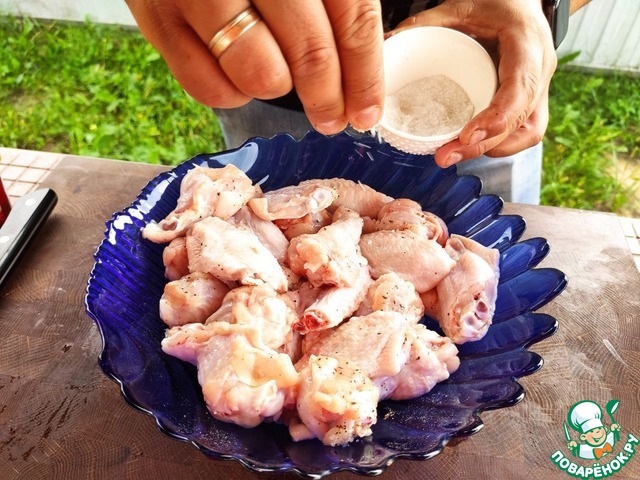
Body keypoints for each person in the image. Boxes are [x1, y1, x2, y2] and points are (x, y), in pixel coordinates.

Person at [125, 0, 591, 203]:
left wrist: (540, 5)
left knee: (481, 273)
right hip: (268, 77)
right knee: (266, 225)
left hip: (487, 97)